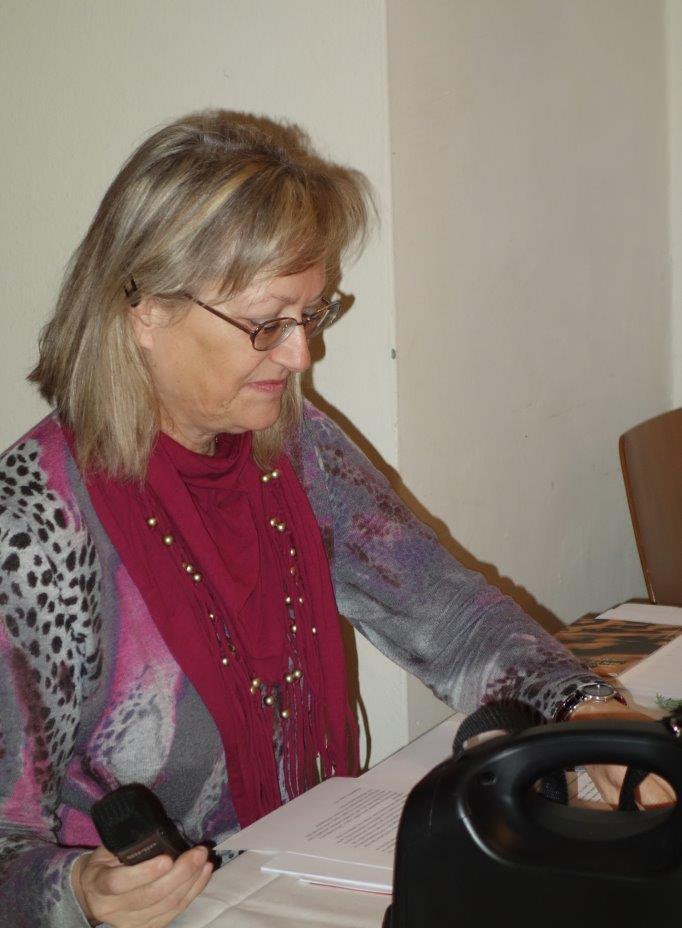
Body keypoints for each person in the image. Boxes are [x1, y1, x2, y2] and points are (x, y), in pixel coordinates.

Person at [0, 110, 670, 928]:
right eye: (266, 323)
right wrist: (79, 891)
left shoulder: (291, 441)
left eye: (312, 315)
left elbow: (449, 618)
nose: (300, 356)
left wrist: (589, 713)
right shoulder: (34, 525)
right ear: (145, 309)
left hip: (294, 882)